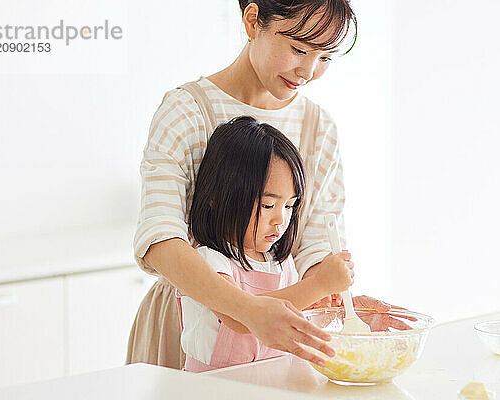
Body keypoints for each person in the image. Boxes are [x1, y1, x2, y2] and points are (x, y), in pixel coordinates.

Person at [127, 0, 394, 370]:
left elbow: (317, 244)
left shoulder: (319, 127)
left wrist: (330, 298)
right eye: (299, 49)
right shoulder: (188, 109)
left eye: (326, 57)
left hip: (277, 334)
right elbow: (159, 236)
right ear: (253, 21)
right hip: (190, 327)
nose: (309, 70)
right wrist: (246, 310)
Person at [181, 116, 354, 372]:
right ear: (217, 199)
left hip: (271, 382)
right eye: (268, 205)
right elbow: (240, 318)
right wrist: (318, 285)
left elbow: (296, 309)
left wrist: (325, 298)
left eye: (289, 205)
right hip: (212, 387)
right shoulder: (209, 261)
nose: (280, 219)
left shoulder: (282, 263)